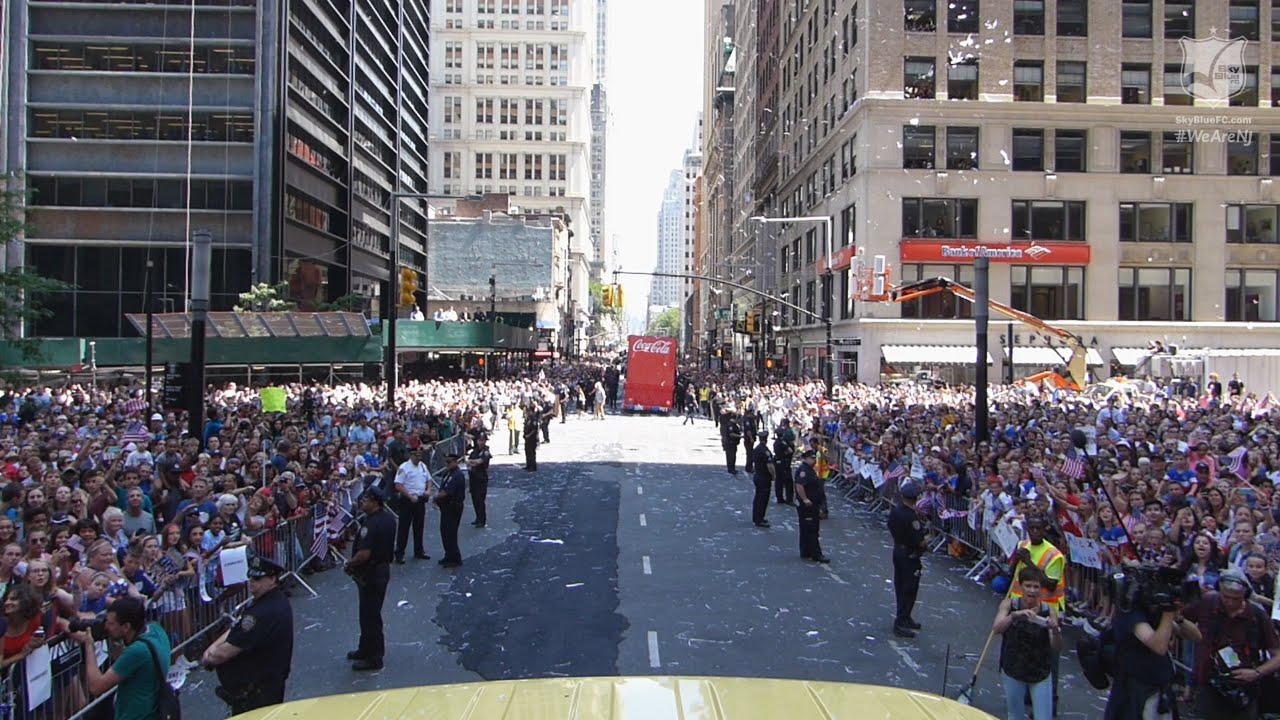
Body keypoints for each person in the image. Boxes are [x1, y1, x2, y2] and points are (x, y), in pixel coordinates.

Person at [1181, 569, 1280, 720]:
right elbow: (1181, 622)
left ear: (1245, 595)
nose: (1230, 602)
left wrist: (1256, 673)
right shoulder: (1207, 603)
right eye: (1226, 597)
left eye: (1236, 598)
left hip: (1244, 688)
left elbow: (1277, 656)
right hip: (1208, 684)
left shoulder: (1257, 615)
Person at [202, 556, 294, 714]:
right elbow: (237, 628)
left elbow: (224, 653)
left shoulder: (262, 612)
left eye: (257, 579)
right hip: (264, 685)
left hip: (256, 691)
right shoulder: (273, 601)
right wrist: (213, 647)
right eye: (250, 577)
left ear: (272, 579)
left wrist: (209, 656)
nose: (252, 582)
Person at [1103, 571, 1201, 720]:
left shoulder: (1157, 612)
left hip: (1160, 684)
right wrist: (1168, 612)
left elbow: (1196, 636)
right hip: (1137, 688)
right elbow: (1159, 646)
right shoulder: (1129, 613)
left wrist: (1178, 617)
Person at [76, 596, 171, 720]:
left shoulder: (137, 651)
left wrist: (89, 645)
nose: (106, 626)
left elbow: (96, 686)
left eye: (111, 623)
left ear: (126, 627)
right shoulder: (156, 630)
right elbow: (128, 665)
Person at [994, 567, 1063, 720]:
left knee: (1044, 717)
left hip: (1040, 671)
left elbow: (1057, 647)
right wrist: (1014, 616)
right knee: (1015, 715)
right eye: (1028, 586)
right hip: (1013, 669)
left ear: (1041, 589)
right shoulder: (1009, 604)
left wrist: (1055, 630)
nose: (1032, 590)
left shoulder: (1048, 611)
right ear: (1021, 586)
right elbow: (997, 628)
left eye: (1036, 586)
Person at [344, 486, 395, 671]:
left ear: (375, 502)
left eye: (365, 499)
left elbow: (364, 554)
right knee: (367, 613)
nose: (362, 502)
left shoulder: (371, 523)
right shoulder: (388, 518)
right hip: (381, 569)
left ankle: (374, 657)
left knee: (370, 615)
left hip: (371, 572)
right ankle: (365, 647)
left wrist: (349, 563)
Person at [888, 480, 927, 638]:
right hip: (909, 554)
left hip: (898, 549)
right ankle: (901, 620)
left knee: (901, 585)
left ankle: (906, 616)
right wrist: (925, 543)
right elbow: (919, 540)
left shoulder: (896, 511)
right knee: (909, 588)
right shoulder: (911, 517)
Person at [392, 447, 431, 563]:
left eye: (420, 455)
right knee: (404, 527)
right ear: (411, 455)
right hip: (407, 501)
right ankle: (399, 553)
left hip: (420, 499)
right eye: (416, 455)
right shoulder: (404, 467)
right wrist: (409, 496)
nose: (418, 458)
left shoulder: (423, 466)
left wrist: (428, 490)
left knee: (419, 526)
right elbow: (398, 485)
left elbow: (429, 479)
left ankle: (419, 550)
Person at [794, 449, 829, 563]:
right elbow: (800, 485)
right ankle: (816, 554)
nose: (814, 460)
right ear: (805, 459)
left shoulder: (809, 469)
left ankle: (806, 551)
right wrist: (805, 499)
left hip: (812, 503)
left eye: (814, 458)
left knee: (806, 528)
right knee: (812, 529)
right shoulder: (804, 470)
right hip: (808, 505)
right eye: (811, 458)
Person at [434, 453, 467, 568]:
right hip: (446, 507)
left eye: (449, 462)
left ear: (455, 462)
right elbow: (443, 487)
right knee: (444, 532)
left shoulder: (457, 475)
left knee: (450, 533)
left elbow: (447, 492)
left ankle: (455, 558)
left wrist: (435, 497)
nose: (447, 464)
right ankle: (448, 555)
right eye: (446, 462)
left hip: (453, 507)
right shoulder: (448, 473)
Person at [468, 433, 492, 528]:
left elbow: (479, 462)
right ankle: (478, 518)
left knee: (480, 500)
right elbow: (470, 461)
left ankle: (482, 520)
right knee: (474, 500)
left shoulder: (486, 452)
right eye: (479, 440)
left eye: (483, 440)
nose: (481, 442)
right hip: (473, 477)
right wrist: (472, 462)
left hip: (481, 478)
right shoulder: (475, 451)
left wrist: (472, 462)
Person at [750, 430, 774, 528]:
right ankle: (760, 519)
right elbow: (770, 466)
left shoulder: (756, 449)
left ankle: (756, 517)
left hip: (758, 475)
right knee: (763, 499)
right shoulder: (765, 451)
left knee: (758, 497)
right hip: (764, 477)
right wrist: (774, 475)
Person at [773, 418, 796, 505]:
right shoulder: (783, 442)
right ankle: (789, 499)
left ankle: (779, 498)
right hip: (784, 462)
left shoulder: (776, 442)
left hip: (777, 462)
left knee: (778, 480)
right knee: (788, 481)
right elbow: (790, 451)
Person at [720, 406, 743, 475]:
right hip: (730, 443)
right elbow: (732, 434)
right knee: (730, 456)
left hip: (733, 443)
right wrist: (740, 436)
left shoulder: (733, 424)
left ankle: (732, 468)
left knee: (733, 456)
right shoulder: (731, 425)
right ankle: (731, 469)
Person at [523, 405, 541, 471]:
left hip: (532, 438)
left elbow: (534, 429)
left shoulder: (534, 418)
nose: (527, 412)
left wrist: (529, 435)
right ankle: (528, 465)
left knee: (532, 453)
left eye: (528, 411)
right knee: (527, 452)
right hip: (527, 438)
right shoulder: (528, 418)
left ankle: (533, 466)